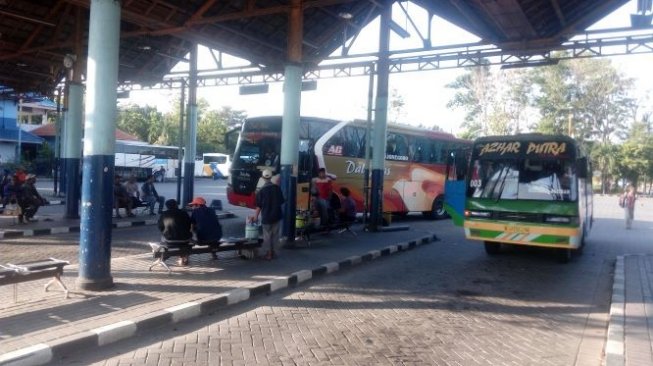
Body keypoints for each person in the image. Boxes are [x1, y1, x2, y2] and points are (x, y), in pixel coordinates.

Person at [251, 169, 284, 260]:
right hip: (277, 215)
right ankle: (274, 252)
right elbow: (281, 201)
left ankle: (269, 254)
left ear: (262, 178)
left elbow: (259, 206)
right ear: (271, 177)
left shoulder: (261, 191)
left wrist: (255, 217)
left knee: (267, 236)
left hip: (266, 216)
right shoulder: (277, 188)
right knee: (275, 235)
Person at [158, 199, 193, 265]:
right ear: (176, 205)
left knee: (163, 238)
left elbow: (160, 227)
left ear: (167, 206)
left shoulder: (164, 214)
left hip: (169, 240)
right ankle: (183, 258)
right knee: (187, 241)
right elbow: (189, 225)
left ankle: (163, 258)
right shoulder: (183, 213)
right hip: (184, 239)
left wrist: (166, 231)